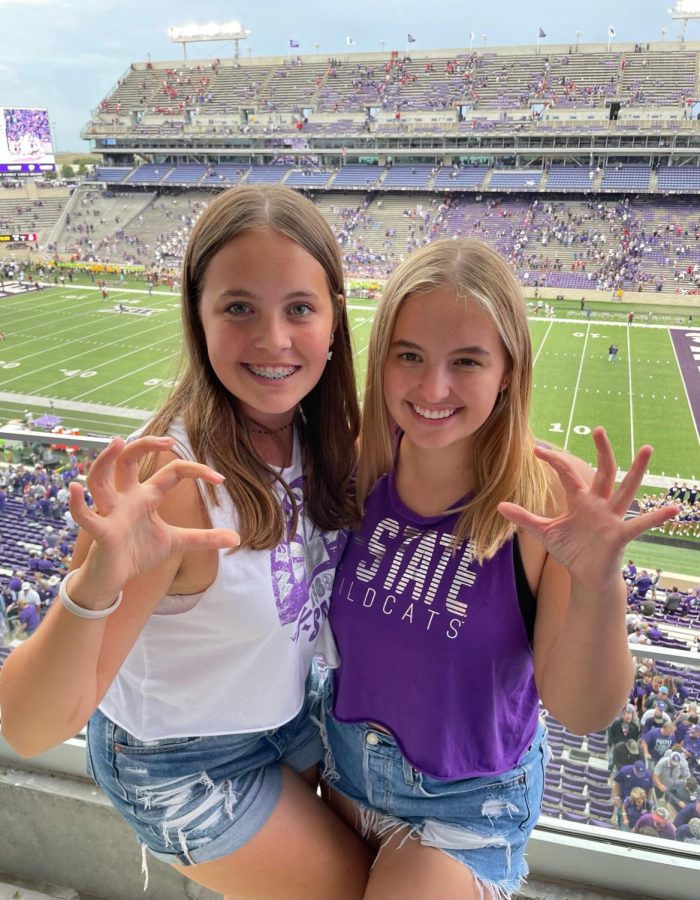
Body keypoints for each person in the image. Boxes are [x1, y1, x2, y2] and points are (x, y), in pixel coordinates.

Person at [0, 185, 371, 899]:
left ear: (334, 321)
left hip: (287, 714)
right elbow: (29, 725)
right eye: (239, 308)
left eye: (299, 307)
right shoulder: (169, 481)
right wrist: (96, 581)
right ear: (198, 317)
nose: (272, 339)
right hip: (180, 761)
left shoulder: (318, 438)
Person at [318, 239, 677, 900]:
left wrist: (600, 585)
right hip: (340, 780)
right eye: (410, 356)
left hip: (462, 814)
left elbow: (583, 707)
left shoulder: (542, 507)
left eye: (467, 362)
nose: (433, 388)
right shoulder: (362, 464)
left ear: (509, 369)